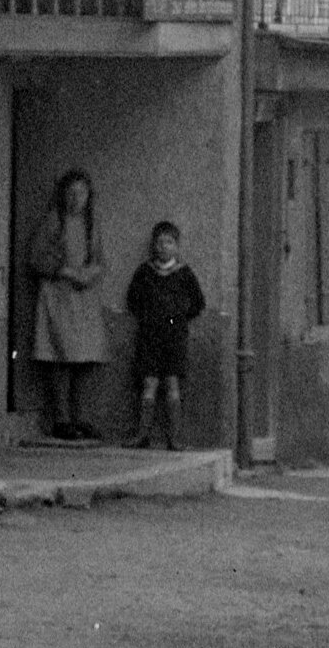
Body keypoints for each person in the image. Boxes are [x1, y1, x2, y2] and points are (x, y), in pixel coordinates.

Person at [27, 167, 111, 444]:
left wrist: (89, 273)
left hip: (84, 298)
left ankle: (81, 418)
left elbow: (100, 259)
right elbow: (36, 258)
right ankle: (61, 420)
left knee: (84, 359)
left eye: (82, 193)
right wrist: (65, 271)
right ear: (62, 195)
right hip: (59, 296)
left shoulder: (91, 224)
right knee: (61, 357)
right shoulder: (54, 221)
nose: (76, 199)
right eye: (71, 193)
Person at [124, 220, 204, 449]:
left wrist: (177, 318)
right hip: (149, 336)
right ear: (153, 245)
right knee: (149, 383)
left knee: (172, 383)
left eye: (169, 242)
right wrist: (148, 317)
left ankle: (174, 438)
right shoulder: (145, 272)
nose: (163, 247)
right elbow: (133, 299)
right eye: (159, 242)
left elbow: (198, 302)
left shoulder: (184, 273)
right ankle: (142, 434)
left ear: (176, 247)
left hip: (174, 337)